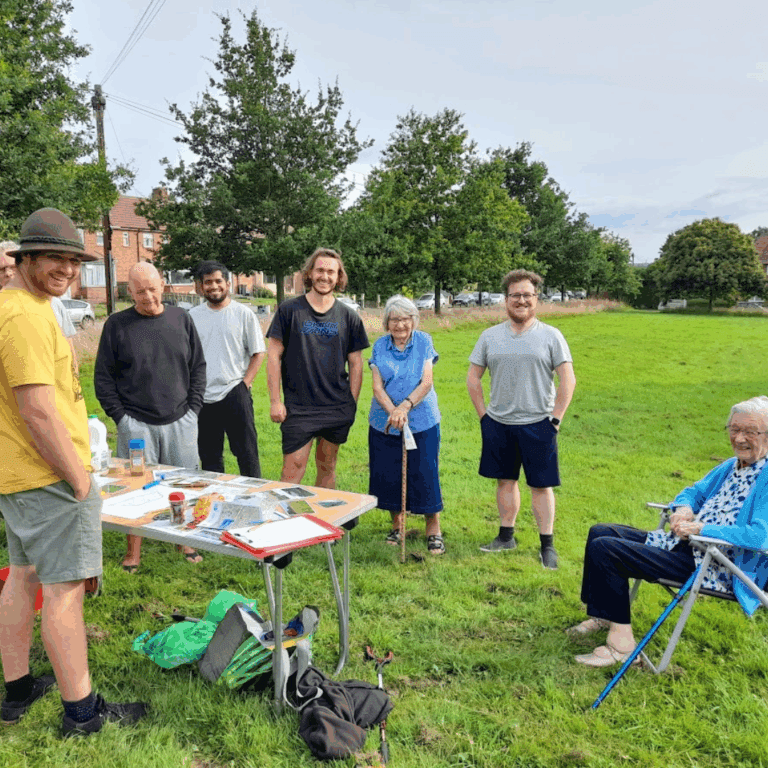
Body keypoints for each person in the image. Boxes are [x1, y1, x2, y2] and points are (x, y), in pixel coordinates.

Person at [0, 208, 146, 735]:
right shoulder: (24, 315)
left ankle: (18, 689)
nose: (66, 269)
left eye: (74, 260)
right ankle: (82, 713)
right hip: (49, 478)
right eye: (53, 258)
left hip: (20, 475)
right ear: (25, 258)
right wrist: (80, 481)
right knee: (64, 592)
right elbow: (37, 411)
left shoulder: (20, 305)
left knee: (23, 577)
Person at [570, 396, 768, 667]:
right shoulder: (730, 466)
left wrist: (701, 528)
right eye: (734, 429)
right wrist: (684, 509)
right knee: (601, 532)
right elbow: (693, 492)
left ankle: (621, 647)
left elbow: (759, 537)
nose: (739, 438)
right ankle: (604, 615)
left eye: (750, 432)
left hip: (717, 565)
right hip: (686, 545)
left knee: (606, 549)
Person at [94, 261, 206, 571]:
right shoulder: (116, 325)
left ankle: (183, 538)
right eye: (140, 291)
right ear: (129, 292)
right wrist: (121, 418)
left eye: (153, 289)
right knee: (135, 487)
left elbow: (198, 366)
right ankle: (133, 552)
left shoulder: (181, 318)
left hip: (181, 418)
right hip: (136, 423)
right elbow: (103, 378)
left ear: (163, 286)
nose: (148, 297)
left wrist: (193, 409)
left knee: (184, 482)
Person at [467, 269, 576, 570]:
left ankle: (547, 545)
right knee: (505, 481)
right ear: (506, 300)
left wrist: (555, 419)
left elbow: (567, 379)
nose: (521, 300)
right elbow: (473, 378)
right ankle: (506, 537)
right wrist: (484, 416)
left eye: (527, 295)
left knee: (541, 486)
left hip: (539, 423)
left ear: (536, 298)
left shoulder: (551, 336)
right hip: (499, 423)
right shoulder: (489, 336)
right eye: (515, 295)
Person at [266, 248, 369, 487]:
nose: (325, 276)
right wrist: (275, 401)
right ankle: (288, 512)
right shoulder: (289, 311)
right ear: (310, 273)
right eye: (320, 270)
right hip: (298, 408)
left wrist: (351, 403)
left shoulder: (349, 317)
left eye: (331, 272)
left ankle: (324, 512)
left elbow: (356, 363)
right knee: (292, 469)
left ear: (338, 276)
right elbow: (273, 355)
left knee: (327, 466)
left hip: (336, 406)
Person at [368, 296, 445, 554]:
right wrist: (393, 412)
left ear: (414, 320)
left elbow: (426, 382)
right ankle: (397, 526)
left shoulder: (423, 341)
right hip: (385, 422)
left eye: (405, 319)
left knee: (425, 473)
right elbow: (377, 387)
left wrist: (405, 407)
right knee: (389, 474)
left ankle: (433, 529)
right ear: (386, 322)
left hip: (422, 420)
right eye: (394, 319)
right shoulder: (380, 345)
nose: (400, 325)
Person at [189, 261, 266, 477]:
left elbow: (258, 352)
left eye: (218, 281)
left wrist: (244, 384)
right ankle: (215, 496)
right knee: (209, 458)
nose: (214, 286)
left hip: (235, 392)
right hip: (203, 397)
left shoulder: (243, 314)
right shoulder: (192, 317)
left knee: (247, 454)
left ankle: (252, 493)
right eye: (208, 282)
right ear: (201, 286)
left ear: (228, 283)